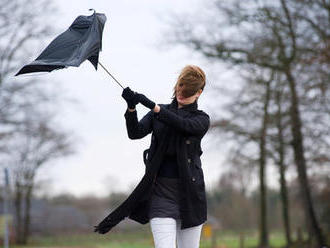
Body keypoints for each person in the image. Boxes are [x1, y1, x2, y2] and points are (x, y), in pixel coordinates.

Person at [94, 65, 210, 248]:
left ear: (199, 93)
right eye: (180, 88)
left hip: (190, 197)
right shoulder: (159, 113)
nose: (181, 93)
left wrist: (154, 107)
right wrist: (131, 108)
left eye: (187, 92)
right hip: (160, 196)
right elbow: (135, 133)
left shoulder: (201, 119)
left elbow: (183, 125)